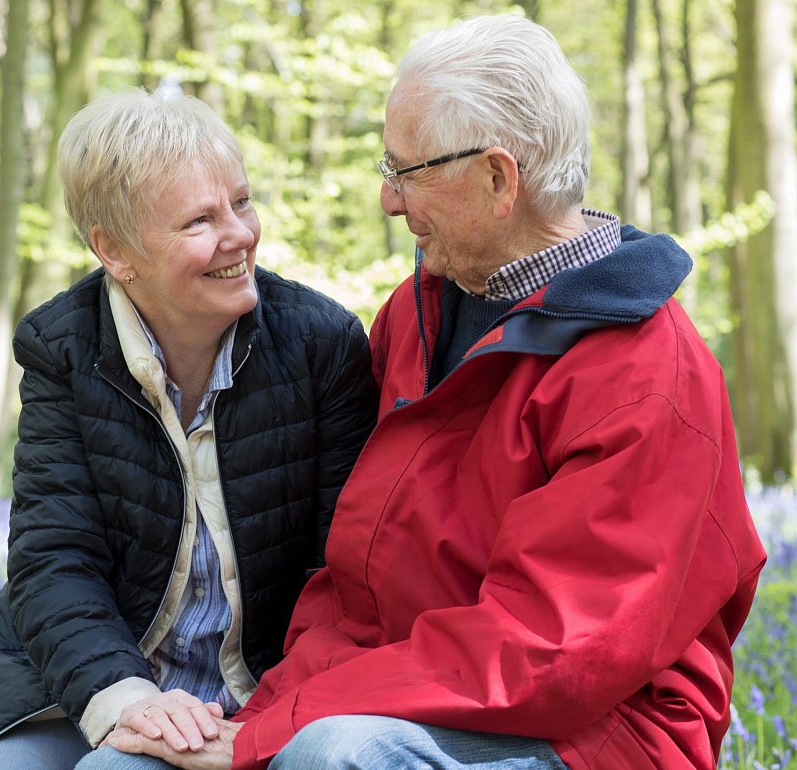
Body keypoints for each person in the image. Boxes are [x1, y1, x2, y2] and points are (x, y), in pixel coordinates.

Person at [91, 14, 767, 770]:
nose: (387, 199)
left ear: (497, 178)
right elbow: (352, 592)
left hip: (600, 730)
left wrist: (273, 733)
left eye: (405, 171)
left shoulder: (648, 378)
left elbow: (552, 653)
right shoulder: (415, 316)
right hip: (396, 687)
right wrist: (255, 719)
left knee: (335, 757)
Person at [0, 89, 380, 770]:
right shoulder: (61, 348)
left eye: (242, 203)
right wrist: (126, 698)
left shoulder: (323, 345)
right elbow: (54, 561)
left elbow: (340, 573)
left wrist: (266, 719)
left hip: (265, 691)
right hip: (89, 677)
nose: (240, 235)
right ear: (115, 251)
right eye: (199, 220)